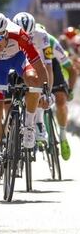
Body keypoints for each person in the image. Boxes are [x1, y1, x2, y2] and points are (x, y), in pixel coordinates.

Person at [0, 12, 49, 184]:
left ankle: (29, 126)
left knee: (33, 81)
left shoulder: (19, 35)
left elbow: (39, 67)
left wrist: (45, 91)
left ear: (5, 32)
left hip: (18, 58)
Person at [12, 12, 54, 143]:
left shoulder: (42, 36)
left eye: (30, 35)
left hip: (37, 63)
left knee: (39, 93)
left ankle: (39, 122)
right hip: (19, 63)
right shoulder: (10, 33)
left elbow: (48, 67)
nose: (27, 39)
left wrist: (47, 92)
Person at [38, 23, 78, 160]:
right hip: (33, 66)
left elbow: (71, 70)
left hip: (52, 68)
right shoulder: (25, 42)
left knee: (61, 100)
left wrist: (70, 90)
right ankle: (39, 128)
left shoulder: (51, 42)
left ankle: (62, 135)